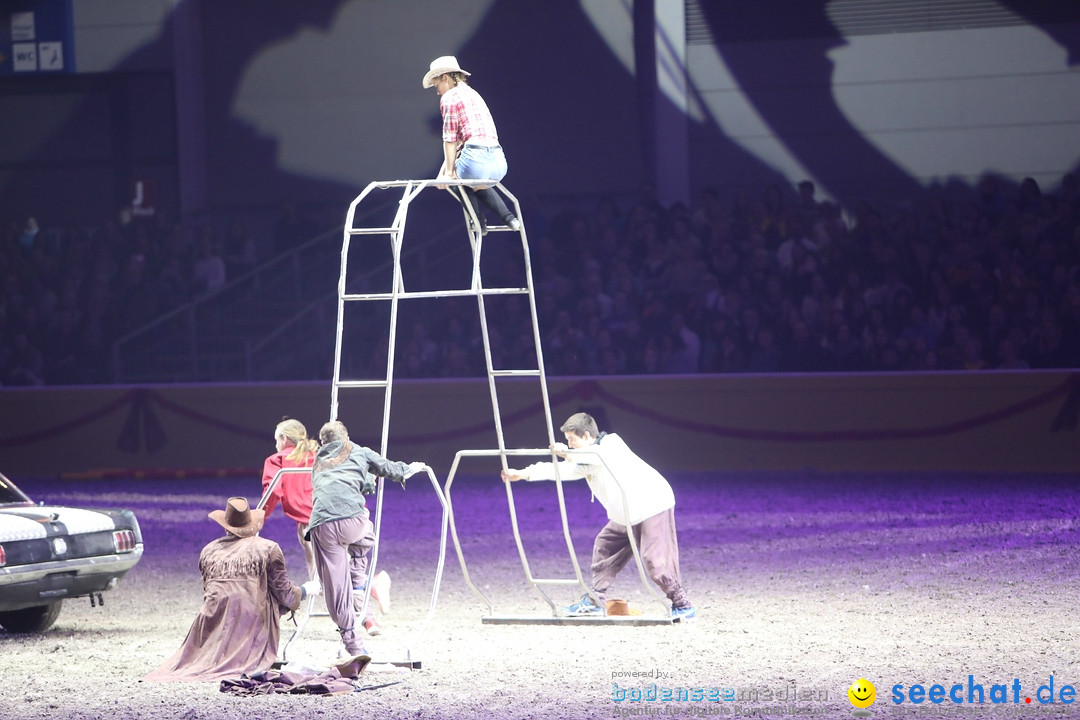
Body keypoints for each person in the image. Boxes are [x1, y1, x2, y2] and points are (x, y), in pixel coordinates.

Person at [501, 412, 696, 620]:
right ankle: (596, 600)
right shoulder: (586, 460)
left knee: (655, 560)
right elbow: (562, 470)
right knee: (605, 545)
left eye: (572, 440)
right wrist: (523, 474)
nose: (569, 444)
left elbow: (593, 456)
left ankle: (682, 604)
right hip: (626, 514)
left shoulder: (611, 445)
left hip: (651, 505)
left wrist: (566, 452)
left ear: (586, 436)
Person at [144, 497, 321, 682]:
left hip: (211, 623)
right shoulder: (268, 549)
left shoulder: (209, 550)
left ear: (226, 526)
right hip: (251, 622)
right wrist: (306, 590)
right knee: (264, 595)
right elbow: (286, 595)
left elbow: (212, 593)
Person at [307, 420, 425, 671]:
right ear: (346, 437)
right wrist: (410, 468)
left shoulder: (317, 459)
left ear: (323, 443)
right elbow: (391, 469)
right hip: (353, 522)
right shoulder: (359, 450)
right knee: (364, 536)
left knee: (335, 589)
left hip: (323, 525)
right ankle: (362, 582)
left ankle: (355, 646)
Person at [261, 417, 391, 636]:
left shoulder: (278, 460)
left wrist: (256, 521)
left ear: (284, 439)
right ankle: (368, 619)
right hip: (348, 515)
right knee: (343, 573)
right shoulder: (321, 454)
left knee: (327, 578)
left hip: (316, 523)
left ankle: (371, 589)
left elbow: (272, 492)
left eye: (277, 440)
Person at [423, 55, 521, 235]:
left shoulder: (449, 97)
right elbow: (461, 141)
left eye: (436, 85)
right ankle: (509, 218)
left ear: (446, 77)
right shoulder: (473, 93)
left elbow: (450, 138)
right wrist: (443, 172)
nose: (437, 91)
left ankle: (478, 222)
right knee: (472, 181)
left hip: (476, 160)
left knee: (457, 182)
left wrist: (449, 174)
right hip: (499, 163)